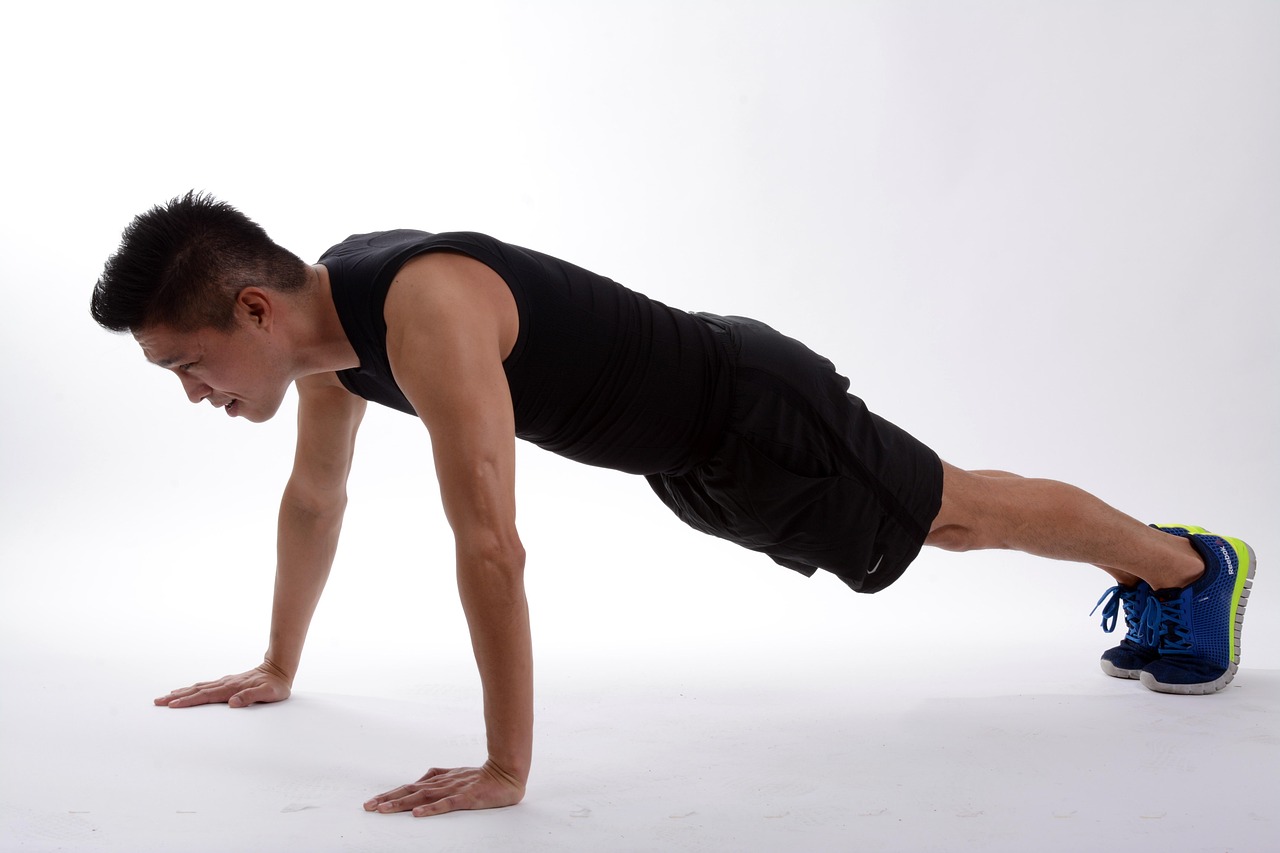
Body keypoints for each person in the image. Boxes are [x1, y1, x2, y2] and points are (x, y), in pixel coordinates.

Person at [90, 191, 1255, 818]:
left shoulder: (422, 310)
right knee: (945, 516)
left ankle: (1185, 566)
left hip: (749, 411)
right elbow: (314, 497)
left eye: (184, 366)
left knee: (953, 511)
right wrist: (278, 661)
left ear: (251, 310)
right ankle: (1171, 567)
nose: (194, 395)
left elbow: (491, 545)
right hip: (692, 458)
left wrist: (505, 767)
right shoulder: (327, 341)